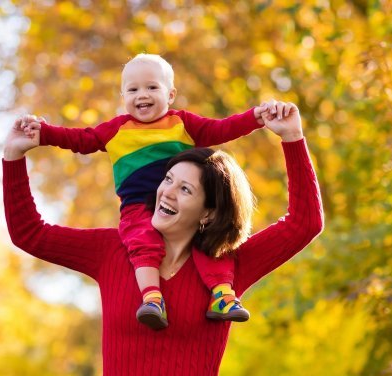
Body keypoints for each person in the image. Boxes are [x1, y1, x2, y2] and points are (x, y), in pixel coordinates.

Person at [3, 101, 323, 376]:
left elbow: (304, 223)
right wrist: (14, 156)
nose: (166, 193)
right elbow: (30, 233)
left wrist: (292, 137)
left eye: (185, 189)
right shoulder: (113, 250)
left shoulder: (228, 266)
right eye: (168, 179)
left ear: (208, 212)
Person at [18, 53, 276, 329]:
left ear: (171, 94)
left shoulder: (183, 124)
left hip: (180, 204)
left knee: (209, 242)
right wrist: (44, 133)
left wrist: (255, 117)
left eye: (152, 87)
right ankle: (152, 298)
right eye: (133, 89)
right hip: (137, 206)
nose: (143, 95)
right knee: (142, 241)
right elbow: (81, 140)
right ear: (123, 96)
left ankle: (223, 294)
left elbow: (222, 128)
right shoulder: (116, 130)